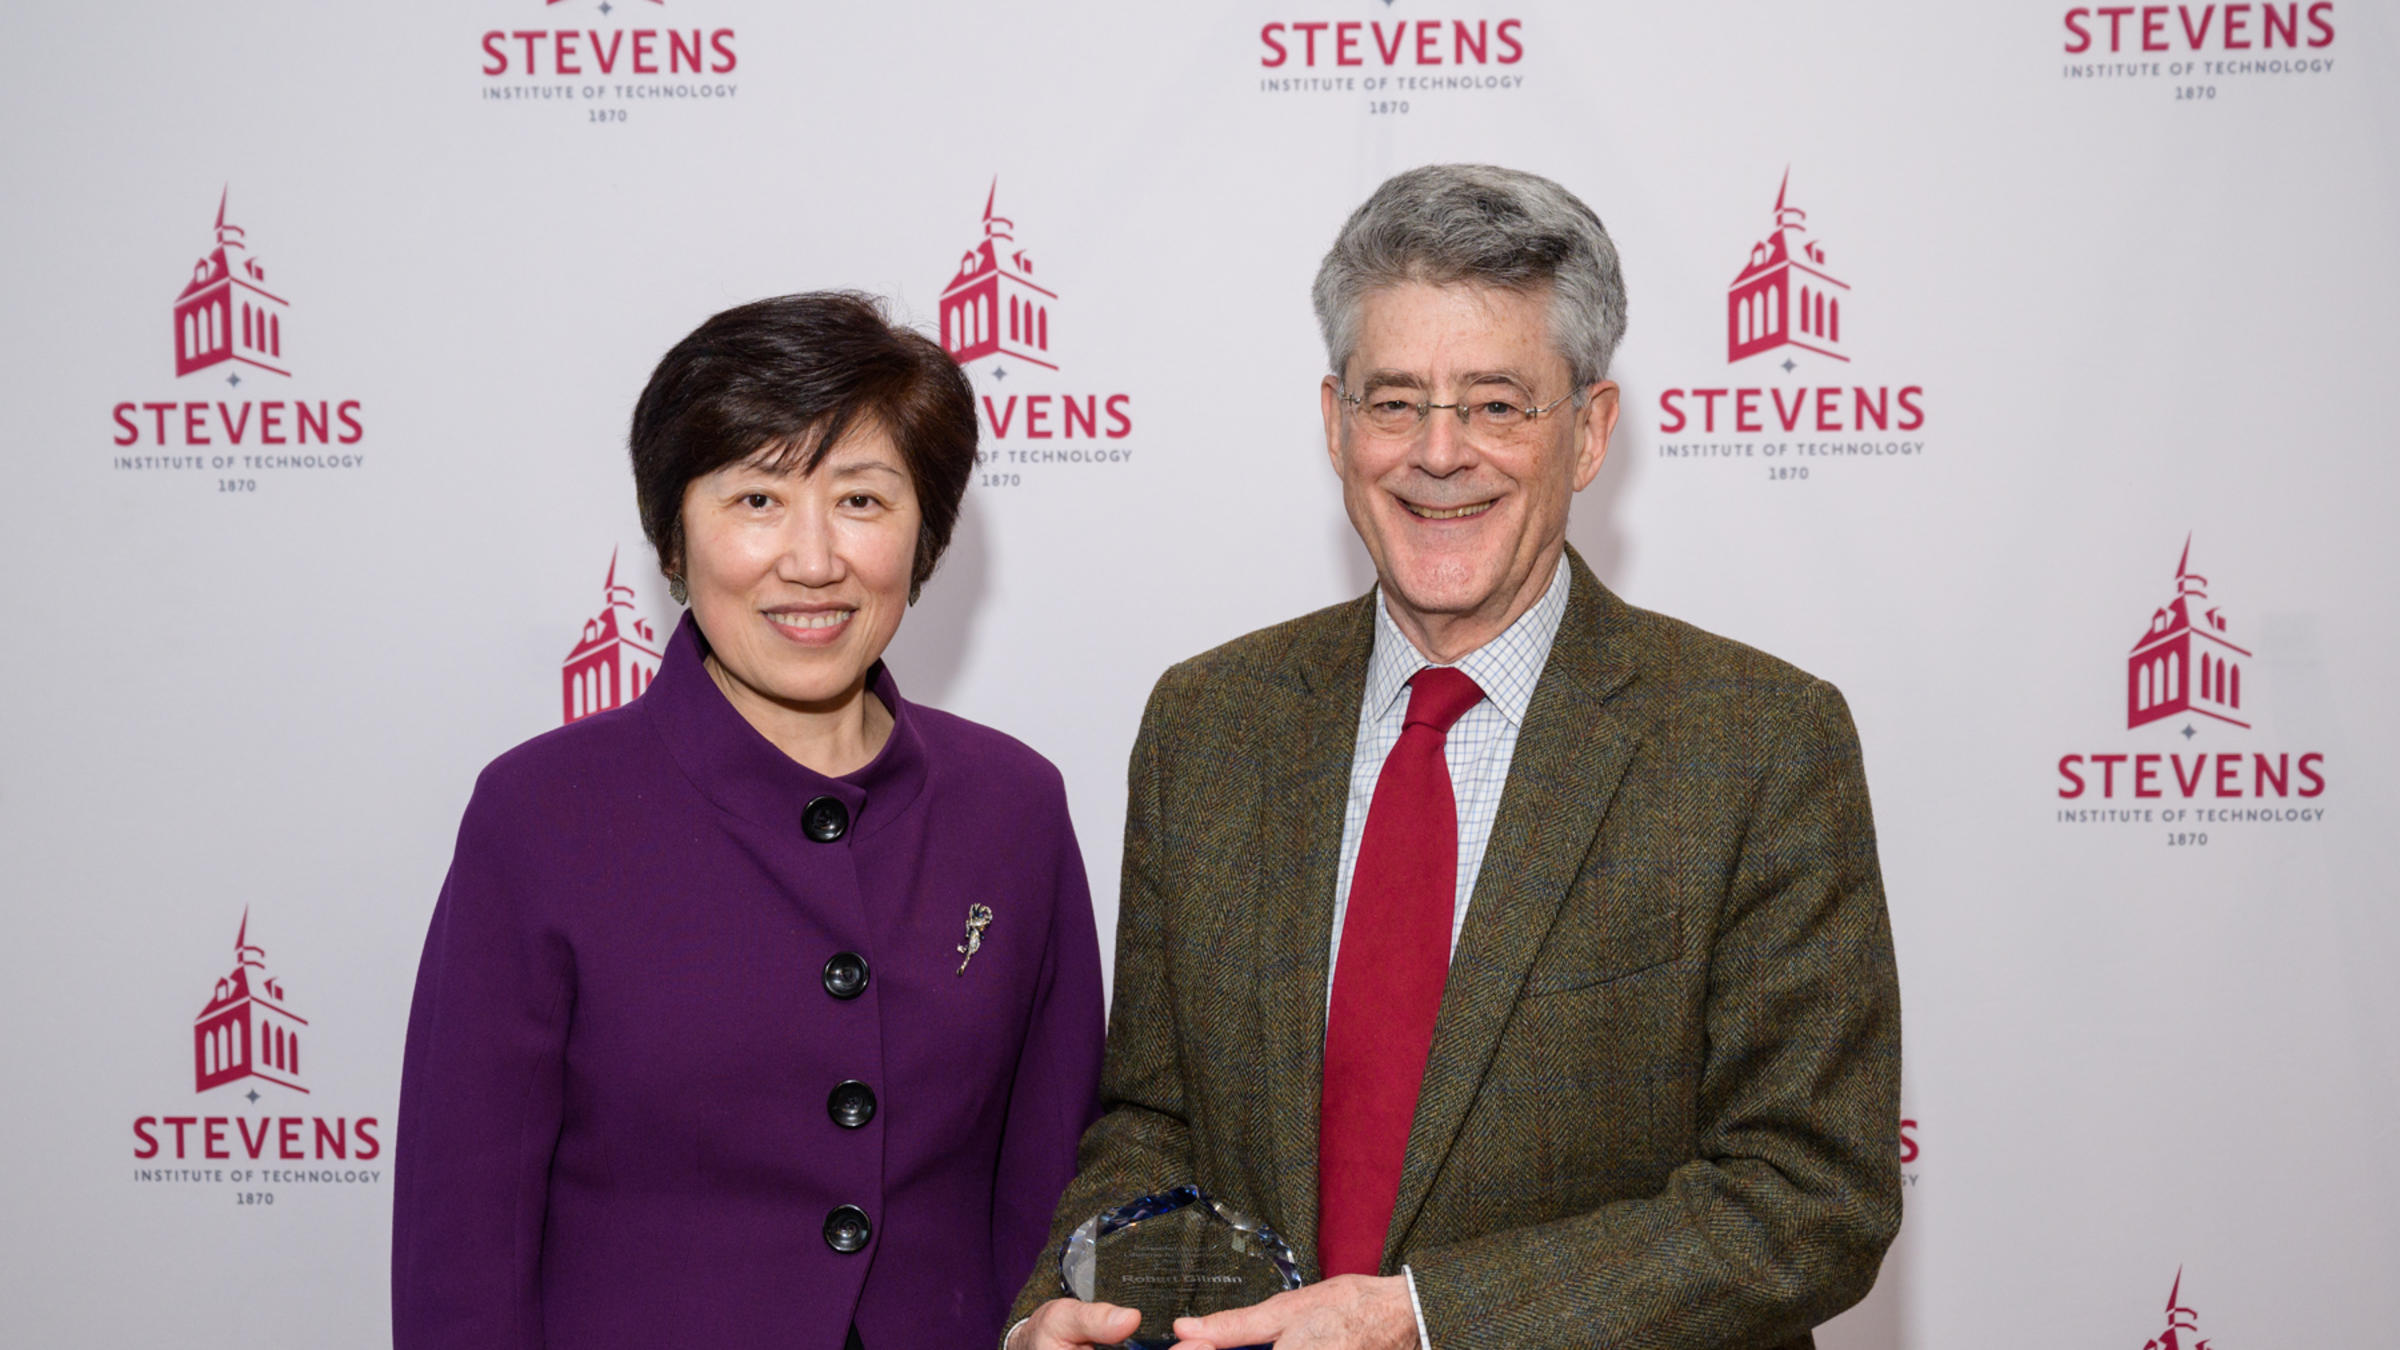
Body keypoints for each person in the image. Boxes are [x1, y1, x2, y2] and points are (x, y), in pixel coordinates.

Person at [1009, 165, 1901, 1350]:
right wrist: (1071, 1309)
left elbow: (1810, 1196)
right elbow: (1155, 1125)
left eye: (1496, 405)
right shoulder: (1207, 724)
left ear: (1588, 433)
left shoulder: (1759, 742)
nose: (1439, 454)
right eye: (1394, 403)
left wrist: (1428, 1321)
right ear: (1335, 425)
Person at [393, 292, 1106, 1350]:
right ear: (674, 537)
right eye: (759, 500)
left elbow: (1051, 1188)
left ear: (926, 533)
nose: (813, 560)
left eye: (863, 501)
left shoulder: (1015, 806)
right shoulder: (540, 817)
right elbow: (465, 1249)